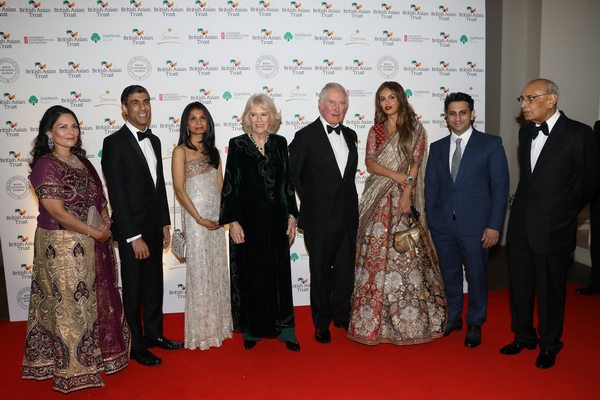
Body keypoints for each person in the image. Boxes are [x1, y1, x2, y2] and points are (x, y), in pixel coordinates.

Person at [22, 105, 130, 393]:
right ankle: (72, 369)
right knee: (68, 306)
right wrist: (95, 232)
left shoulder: (82, 161)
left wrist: (105, 223)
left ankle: (94, 357)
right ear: (49, 133)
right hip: (62, 246)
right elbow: (57, 212)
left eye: (74, 126)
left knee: (90, 304)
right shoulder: (46, 164)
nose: (71, 132)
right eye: (63, 127)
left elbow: (99, 199)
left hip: (91, 243)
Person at [501, 78, 599, 368]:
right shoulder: (525, 132)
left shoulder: (579, 134)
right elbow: (529, 180)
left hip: (554, 227)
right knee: (519, 285)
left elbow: (590, 182)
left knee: (550, 289)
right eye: (522, 99)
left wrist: (564, 212)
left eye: (530, 98)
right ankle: (523, 336)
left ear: (551, 100)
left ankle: (550, 343)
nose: (524, 104)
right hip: (521, 225)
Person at [347, 81, 447, 346]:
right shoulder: (376, 130)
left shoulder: (415, 129)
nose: (387, 103)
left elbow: (415, 164)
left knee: (406, 257)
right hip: (377, 200)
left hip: (403, 200)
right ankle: (371, 322)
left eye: (391, 97)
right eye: (382, 99)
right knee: (374, 260)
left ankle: (410, 323)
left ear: (400, 99)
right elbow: (370, 163)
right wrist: (395, 175)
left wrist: (406, 194)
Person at [102, 85, 183, 367]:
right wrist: (133, 236)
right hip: (132, 231)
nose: (143, 107)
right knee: (134, 289)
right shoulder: (114, 143)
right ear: (124, 109)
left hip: (153, 227)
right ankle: (135, 345)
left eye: (146, 101)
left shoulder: (155, 140)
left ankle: (154, 334)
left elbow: (158, 187)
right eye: (135, 102)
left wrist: (164, 223)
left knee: (153, 285)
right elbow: (117, 194)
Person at [425, 92, 509, 348]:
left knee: (476, 275)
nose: (458, 118)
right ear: (446, 117)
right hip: (443, 226)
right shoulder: (437, 147)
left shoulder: (491, 144)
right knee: (449, 274)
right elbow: (431, 187)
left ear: (472, 114)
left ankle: (475, 321)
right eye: (452, 113)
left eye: (463, 112)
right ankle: (453, 317)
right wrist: (432, 221)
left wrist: (494, 225)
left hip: (477, 226)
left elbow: (500, 188)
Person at [219, 94, 300, 352]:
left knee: (279, 276)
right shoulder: (238, 145)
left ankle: (286, 331)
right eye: (253, 114)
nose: (259, 120)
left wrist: (292, 216)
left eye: (263, 114)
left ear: (271, 117)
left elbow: (287, 183)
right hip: (248, 223)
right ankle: (252, 330)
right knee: (251, 276)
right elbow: (230, 186)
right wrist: (233, 222)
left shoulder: (280, 143)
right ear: (247, 118)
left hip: (277, 222)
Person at [289, 82, 359, 344]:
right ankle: (321, 323)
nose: (337, 108)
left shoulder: (350, 135)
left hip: (347, 216)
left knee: (345, 271)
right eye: (332, 102)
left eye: (342, 103)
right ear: (320, 104)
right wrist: (312, 200)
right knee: (320, 274)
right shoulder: (304, 136)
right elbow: (293, 174)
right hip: (319, 219)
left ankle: (342, 315)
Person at [172, 102, 233, 349]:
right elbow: (179, 189)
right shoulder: (180, 151)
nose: (198, 123)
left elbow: (220, 186)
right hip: (196, 220)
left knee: (216, 269)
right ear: (186, 124)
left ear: (208, 122)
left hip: (215, 219)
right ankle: (202, 331)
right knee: (200, 272)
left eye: (202, 118)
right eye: (193, 118)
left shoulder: (214, 151)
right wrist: (198, 219)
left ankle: (219, 326)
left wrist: (223, 216)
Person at [576, 119, 600, 295]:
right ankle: (597, 282)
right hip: (599, 196)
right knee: (598, 241)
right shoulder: (598, 128)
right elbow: (592, 162)